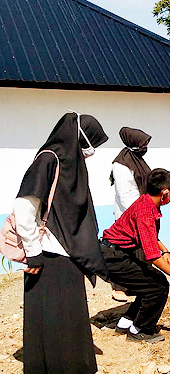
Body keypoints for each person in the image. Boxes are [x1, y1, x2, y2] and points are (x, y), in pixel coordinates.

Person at [14, 112, 109, 374]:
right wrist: (33, 253)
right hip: (48, 254)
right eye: (88, 145)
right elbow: (24, 205)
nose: (89, 152)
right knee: (53, 317)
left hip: (67, 254)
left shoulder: (66, 163)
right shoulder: (49, 159)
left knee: (67, 318)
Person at [101, 168, 170, 343]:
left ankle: (126, 323)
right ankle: (141, 330)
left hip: (115, 253)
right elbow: (152, 256)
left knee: (151, 282)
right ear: (165, 192)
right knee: (158, 285)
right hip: (114, 257)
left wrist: (164, 250)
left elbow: (148, 237)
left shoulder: (146, 202)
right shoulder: (145, 211)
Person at [109, 127, 152, 302]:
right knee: (124, 253)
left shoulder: (137, 160)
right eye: (143, 144)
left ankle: (139, 285)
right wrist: (139, 213)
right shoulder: (121, 165)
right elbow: (126, 195)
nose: (145, 147)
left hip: (142, 212)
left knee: (141, 253)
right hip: (128, 215)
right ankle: (119, 288)